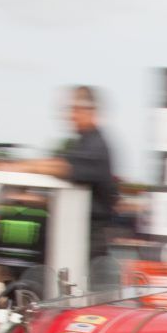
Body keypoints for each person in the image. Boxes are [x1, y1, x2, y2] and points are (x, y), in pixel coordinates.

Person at [55, 85, 120, 296]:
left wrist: (18, 167)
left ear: (89, 110)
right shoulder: (85, 143)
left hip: (89, 247)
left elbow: (63, 167)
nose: (70, 116)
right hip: (82, 243)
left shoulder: (96, 146)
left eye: (74, 109)